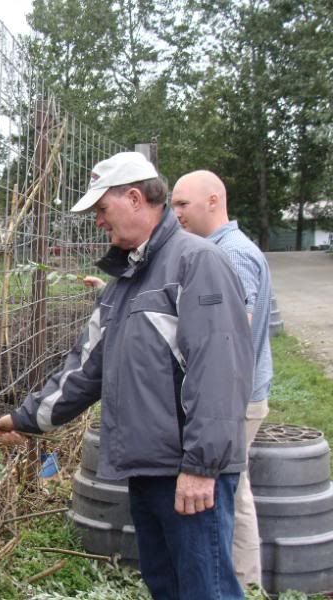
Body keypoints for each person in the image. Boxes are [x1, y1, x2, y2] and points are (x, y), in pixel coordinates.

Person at [0, 152, 254, 600]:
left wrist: (201, 466)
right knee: (166, 585)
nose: (98, 221)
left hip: (188, 470)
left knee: (205, 590)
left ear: (134, 198)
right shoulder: (126, 281)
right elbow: (85, 368)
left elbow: (221, 371)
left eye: (101, 208)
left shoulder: (196, 263)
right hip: (150, 467)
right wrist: (25, 419)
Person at [171, 170, 274, 590]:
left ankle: (240, 583)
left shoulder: (229, 254)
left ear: (213, 201)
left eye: (182, 204)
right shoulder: (223, 249)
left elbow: (229, 333)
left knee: (229, 492)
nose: (176, 213)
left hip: (232, 397)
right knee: (237, 487)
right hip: (240, 392)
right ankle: (242, 582)